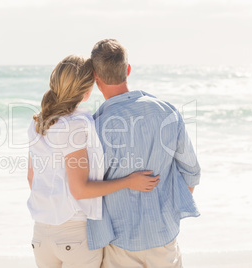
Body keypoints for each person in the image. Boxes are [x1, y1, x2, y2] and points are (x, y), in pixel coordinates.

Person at [27, 55, 160, 268]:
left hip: (41, 235)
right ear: (87, 90)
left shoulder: (39, 123)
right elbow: (79, 190)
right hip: (74, 236)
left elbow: (32, 179)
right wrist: (128, 181)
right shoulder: (76, 124)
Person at [86, 39, 201, 268]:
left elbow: (88, 189)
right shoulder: (166, 111)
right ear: (127, 70)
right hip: (163, 237)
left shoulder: (96, 126)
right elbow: (192, 172)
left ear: (95, 77)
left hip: (121, 241)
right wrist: (167, 213)